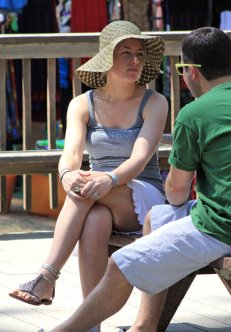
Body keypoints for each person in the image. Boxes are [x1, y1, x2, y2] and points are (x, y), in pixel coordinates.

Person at [50, 26, 231, 332]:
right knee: (158, 216)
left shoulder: (194, 113)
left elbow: (177, 192)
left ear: (191, 71)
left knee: (122, 264)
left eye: (181, 68)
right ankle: (146, 325)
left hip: (226, 229)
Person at [9, 20, 168, 319]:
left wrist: (109, 178)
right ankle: (91, 323)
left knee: (86, 189)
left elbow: (140, 158)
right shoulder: (81, 104)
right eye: (126, 53)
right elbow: (70, 155)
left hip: (142, 195)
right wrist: (67, 174)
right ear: (108, 57)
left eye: (140, 54)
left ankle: (47, 277)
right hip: (97, 193)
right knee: (94, 221)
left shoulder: (155, 101)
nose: (135, 60)